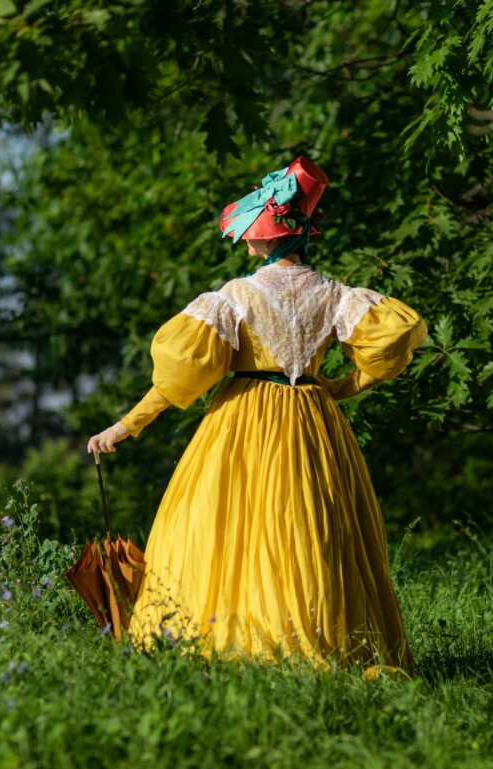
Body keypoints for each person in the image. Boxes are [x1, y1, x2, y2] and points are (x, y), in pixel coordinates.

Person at [86, 156, 428, 676]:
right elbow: (396, 337)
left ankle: (233, 642)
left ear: (270, 237)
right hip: (313, 424)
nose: (245, 240)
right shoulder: (336, 295)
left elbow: (178, 377)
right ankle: (323, 639)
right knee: (313, 530)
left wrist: (127, 425)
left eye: (251, 231)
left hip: (243, 423)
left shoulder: (236, 297)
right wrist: (340, 387)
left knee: (224, 528)